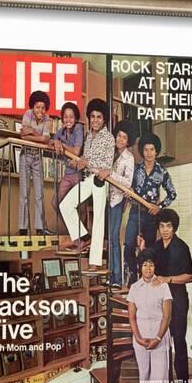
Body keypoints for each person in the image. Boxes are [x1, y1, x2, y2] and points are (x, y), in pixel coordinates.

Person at [138, 208, 192, 383]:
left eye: (168, 226)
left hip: (178, 299)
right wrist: (142, 250)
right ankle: (165, 381)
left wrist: (168, 279)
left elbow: (190, 276)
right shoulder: (155, 247)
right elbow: (146, 266)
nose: (165, 230)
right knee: (161, 341)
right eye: (162, 226)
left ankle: (183, 382)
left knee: (178, 340)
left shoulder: (182, 247)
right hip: (159, 301)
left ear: (174, 227)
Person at [60, 98, 115, 273]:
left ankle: (95, 261)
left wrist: (86, 162)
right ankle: (83, 238)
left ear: (104, 119)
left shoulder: (109, 138)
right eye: (92, 116)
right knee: (65, 204)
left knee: (98, 220)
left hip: (100, 180)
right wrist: (79, 163)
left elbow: (107, 166)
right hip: (87, 179)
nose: (95, 120)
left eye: (99, 117)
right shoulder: (88, 135)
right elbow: (83, 159)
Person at [123, 132, 177, 285]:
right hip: (135, 212)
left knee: (149, 251)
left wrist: (159, 207)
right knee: (128, 246)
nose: (149, 153)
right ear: (142, 151)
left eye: (152, 150)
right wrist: (129, 194)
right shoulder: (136, 169)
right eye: (146, 150)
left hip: (151, 216)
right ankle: (132, 278)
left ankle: (147, 281)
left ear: (156, 151)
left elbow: (172, 194)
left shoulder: (162, 172)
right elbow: (128, 188)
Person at [101, 121, 139, 289]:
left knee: (115, 238)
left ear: (128, 141)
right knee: (108, 238)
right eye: (119, 136)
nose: (120, 139)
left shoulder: (129, 158)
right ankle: (111, 274)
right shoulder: (110, 151)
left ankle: (117, 277)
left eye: (124, 137)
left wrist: (111, 173)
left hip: (116, 200)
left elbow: (127, 182)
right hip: (104, 197)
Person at [127, 248, 172, 383]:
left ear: (155, 267)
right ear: (140, 267)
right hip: (140, 337)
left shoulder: (163, 286)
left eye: (151, 265)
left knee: (159, 379)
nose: (148, 268)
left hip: (160, 336)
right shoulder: (134, 288)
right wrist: (138, 338)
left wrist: (158, 338)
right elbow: (132, 317)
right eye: (145, 264)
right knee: (144, 376)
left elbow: (167, 317)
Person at [18, 90, 54, 236]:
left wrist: (31, 133)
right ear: (33, 107)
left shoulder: (48, 119)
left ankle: (40, 228)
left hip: (37, 157)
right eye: (38, 107)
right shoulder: (27, 114)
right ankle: (23, 228)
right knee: (24, 193)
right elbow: (22, 135)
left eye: (43, 107)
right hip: (25, 156)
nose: (41, 110)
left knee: (39, 194)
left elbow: (46, 140)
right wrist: (38, 136)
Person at [49, 102, 84, 214]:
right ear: (62, 118)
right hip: (67, 174)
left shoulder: (78, 127)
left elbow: (76, 151)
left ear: (76, 118)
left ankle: (81, 231)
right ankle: (71, 227)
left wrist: (61, 144)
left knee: (80, 206)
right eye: (65, 117)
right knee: (55, 203)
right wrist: (55, 141)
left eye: (71, 117)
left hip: (78, 174)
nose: (68, 119)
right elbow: (51, 141)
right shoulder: (62, 131)